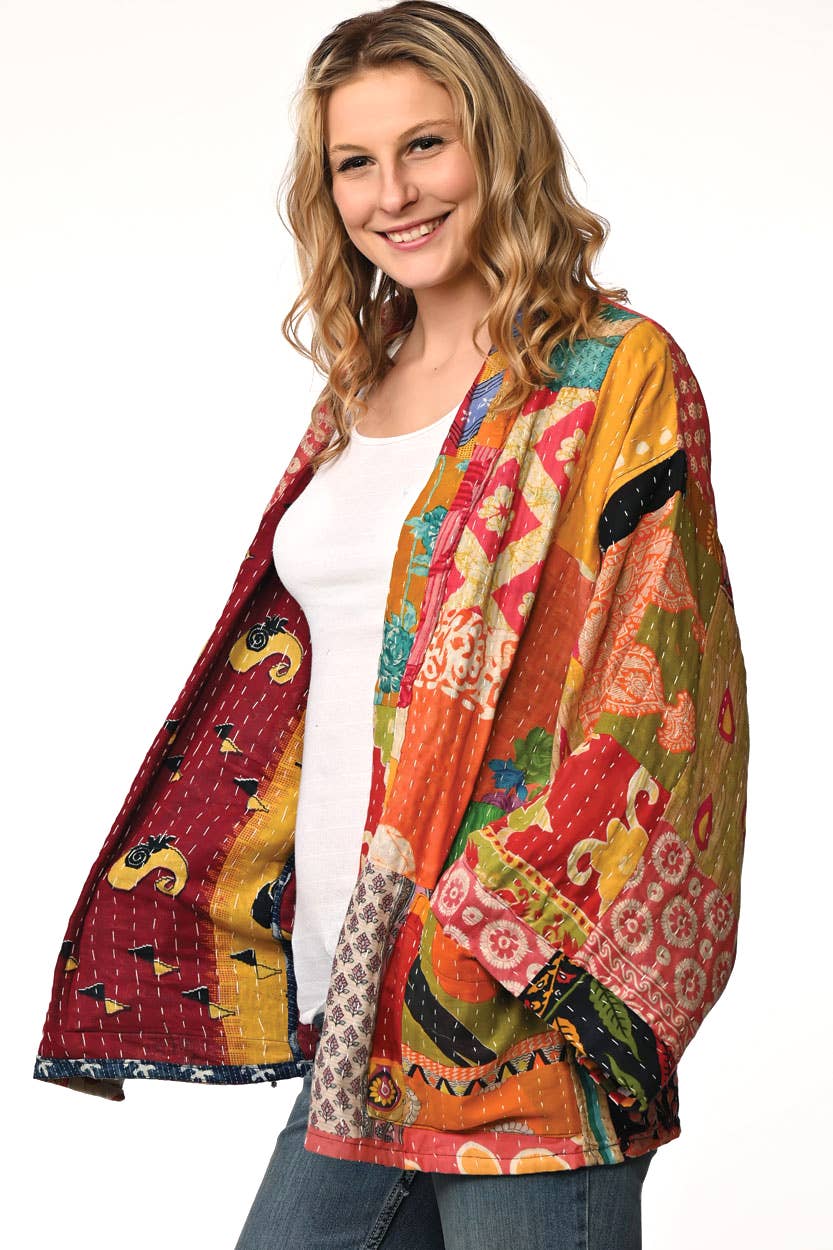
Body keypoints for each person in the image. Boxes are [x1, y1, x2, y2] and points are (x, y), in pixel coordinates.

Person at [33, 4, 750, 1248]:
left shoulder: (608, 373)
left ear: (497, 146)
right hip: (355, 999)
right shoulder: (353, 389)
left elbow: (666, 688)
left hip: (513, 1014)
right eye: (354, 162)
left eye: (425, 145)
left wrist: (489, 928)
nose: (392, 193)